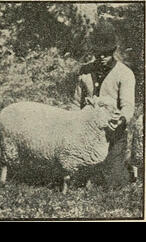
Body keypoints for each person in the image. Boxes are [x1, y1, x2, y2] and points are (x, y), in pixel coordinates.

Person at [72, 22, 136, 187]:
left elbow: (128, 107)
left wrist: (120, 120)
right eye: (98, 53)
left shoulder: (125, 74)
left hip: (112, 133)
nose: (101, 57)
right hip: (85, 132)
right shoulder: (84, 71)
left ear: (113, 51)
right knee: (73, 175)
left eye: (106, 53)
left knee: (111, 182)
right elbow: (75, 103)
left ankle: (126, 169)